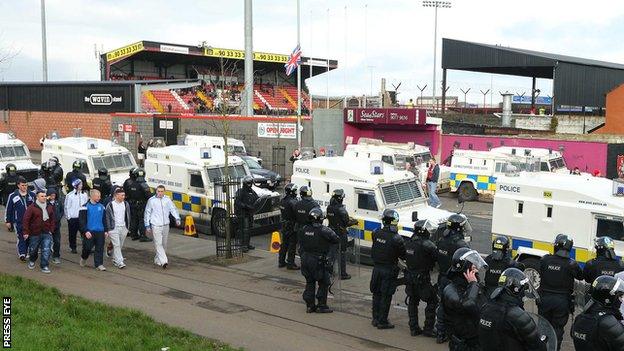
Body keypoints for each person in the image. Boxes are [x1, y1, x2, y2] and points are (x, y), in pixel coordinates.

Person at [478, 268, 547, 351]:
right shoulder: (518, 316)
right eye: (523, 290)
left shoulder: (485, 307)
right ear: (516, 290)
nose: (523, 294)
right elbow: (537, 346)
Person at [537, 234, 583, 350]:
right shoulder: (572, 264)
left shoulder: (545, 259)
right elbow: (581, 276)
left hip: (544, 299)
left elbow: (540, 270)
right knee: (557, 329)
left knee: (542, 327)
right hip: (562, 302)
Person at [441, 247, 488, 351]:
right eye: (473, 266)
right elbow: (468, 305)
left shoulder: (473, 287)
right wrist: (473, 284)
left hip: (476, 340)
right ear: (465, 268)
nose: (476, 269)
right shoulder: (451, 291)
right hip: (463, 344)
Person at [435, 213, 471, 343]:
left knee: (442, 306)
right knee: (456, 308)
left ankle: (440, 332)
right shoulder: (461, 245)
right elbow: (469, 263)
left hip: (442, 277)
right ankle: (452, 334)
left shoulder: (441, 240)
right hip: (455, 281)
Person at [370, 209, 406, 329]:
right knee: (386, 295)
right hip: (388, 270)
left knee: (376, 294)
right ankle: (382, 321)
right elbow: (403, 255)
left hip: (377, 269)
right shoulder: (396, 238)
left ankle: (375, 318)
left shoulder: (375, 232)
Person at [299, 208, 340, 313]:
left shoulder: (304, 229)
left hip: (305, 260)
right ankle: (321, 305)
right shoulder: (324, 230)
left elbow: (300, 244)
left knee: (310, 282)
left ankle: (310, 305)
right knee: (323, 282)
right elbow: (336, 239)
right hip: (318, 261)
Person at [404, 219, 438, 337]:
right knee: (433, 301)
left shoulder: (408, 242)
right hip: (422, 279)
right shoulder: (428, 245)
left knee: (413, 301)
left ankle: (413, 328)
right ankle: (428, 328)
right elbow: (436, 257)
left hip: (409, 277)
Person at [571, 275, 624, 350]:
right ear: (608, 299)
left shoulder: (581, 317)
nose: (621, 300)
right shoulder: (608, 322)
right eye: (620, 296)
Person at [144, 185, 181, 269]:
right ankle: (164, 261)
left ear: (164, 191)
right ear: (156, 191)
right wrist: (147, 225)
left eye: (162, 191)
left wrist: (177, 218)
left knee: (164, 244)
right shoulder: (151, 201)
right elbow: (147, 212)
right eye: (158, 191)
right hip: (155, 225)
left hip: (165, 225)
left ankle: (157, 259)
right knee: (158, 243)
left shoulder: (167, 200)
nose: (160, 193)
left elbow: (173, 209)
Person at [326, 189, 358, 280]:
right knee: (342, 253)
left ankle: (329, 272)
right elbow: (346, 222)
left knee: (331, 254)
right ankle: (343, 274)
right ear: (340, 198)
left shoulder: (329, 207)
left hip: (331, 233)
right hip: (340, 234)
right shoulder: (341, 209)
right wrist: (354, 222)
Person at [22, 189, 56, 273]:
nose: (44, 198)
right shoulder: (32, 208)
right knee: (33, 250)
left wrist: (51, 230)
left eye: (45, 196)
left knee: (46, 249)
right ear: (37, 197)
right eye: (42, 196)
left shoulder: (49, 207)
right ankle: (32, 260)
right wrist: (26, 232)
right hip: (34, 233)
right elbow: (26, 220)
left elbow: (52, 219)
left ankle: (44, 265)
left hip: (46, 232)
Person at [5, 177, 35, 260]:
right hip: (18, 221)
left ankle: (28, 251)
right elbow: (9, 209)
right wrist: (8, 221)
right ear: (18, 185)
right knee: (21, 237)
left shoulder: (32, 195)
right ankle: (22, 253)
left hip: (31, 221)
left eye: (26, 185)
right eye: (22, 185)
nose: (24, 187)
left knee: (29, 237)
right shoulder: (13, 196)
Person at [78, 189, 108, 271]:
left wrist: (105, 230)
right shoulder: (84, 207)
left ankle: (99, 264)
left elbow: (104, 219)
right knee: (87, 248)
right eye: (97, 196)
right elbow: (82, 221)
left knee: (99, 248)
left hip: (100, 231)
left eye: (100, 196)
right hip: (89, 231)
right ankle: (84, 258)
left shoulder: (102, 207)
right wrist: (86, 231)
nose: (99, 198)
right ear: (91, 196)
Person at [105, 187, 131, 269]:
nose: (124, 197)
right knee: (116, 244)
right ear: (116, 195)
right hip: (113, 228)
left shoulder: (126, 204)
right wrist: (108, 229)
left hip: (123, 227)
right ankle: (120, 262)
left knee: (120, 244)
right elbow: (107, 217)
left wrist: (127, 227)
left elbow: (128, 216)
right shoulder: (110, 205)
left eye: (124, 195)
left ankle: (115, 258)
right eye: (122, 195)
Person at [125, 168, 152, 242]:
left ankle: (134, 235)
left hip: (132, 204)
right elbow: (148, 196)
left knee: (134, 219)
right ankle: (143, 236)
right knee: (141, 220)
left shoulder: (131, 184)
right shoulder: (143, 185)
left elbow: (127, 194)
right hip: (141, 205)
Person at [234, 176, 259, 252]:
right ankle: (243, 245)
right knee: (243, 229)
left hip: (249, 213)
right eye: (248, 183)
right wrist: (246, 206)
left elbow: (256, 198)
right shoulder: (240, 191)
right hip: (242, 213)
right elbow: (237, 202)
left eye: (251, 183)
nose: (250, 185)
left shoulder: (251, 191)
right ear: (244, 183)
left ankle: (247, 244)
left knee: (249, 230)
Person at [64, 179, 88, 254]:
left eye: (81, 184)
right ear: (76, 185)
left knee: (84, 233)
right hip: (73, 218)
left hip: (82, 218)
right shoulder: (70, 195)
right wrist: (69, 217)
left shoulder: (84, 194)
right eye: (80, 184)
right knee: (72, 234)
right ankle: (73, 247)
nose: (81, 185)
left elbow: (87, 205)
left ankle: (86, 246)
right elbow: (67, 207)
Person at [278, 183, 299, 270]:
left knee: (284, 244)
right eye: (295, 191)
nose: (296, 192)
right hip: (292, 225)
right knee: (292, 245)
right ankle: (290, 263)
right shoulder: (293, 202)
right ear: (291, 192)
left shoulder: (282, 200)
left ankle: (281, 261)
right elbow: (297, 214)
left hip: (284, 224)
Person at [47, 188, 63, 265]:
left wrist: (59, 217)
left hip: (56, 226)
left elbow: (62, 210)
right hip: (47, 226)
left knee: (57, 241)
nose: (53, 197)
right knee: (46, 241)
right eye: (51, 195)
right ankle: (45, 255)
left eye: (54, 195)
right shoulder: (46, 202)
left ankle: (56, 256)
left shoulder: (58, 202)